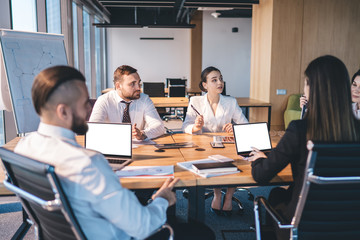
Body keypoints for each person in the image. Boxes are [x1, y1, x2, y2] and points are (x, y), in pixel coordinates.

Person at [15, 66, 215, 240]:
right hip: (116, 235)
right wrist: (162, 198)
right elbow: (142, 226)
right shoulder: (88, 162)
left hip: (65, 233)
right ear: (63, 112)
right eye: (84, 103)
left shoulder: (23, 149)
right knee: (203, 233)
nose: (88, 109)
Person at [248, 55, 360, 240]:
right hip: (350, 227)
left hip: (304, 228)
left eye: (306, 83)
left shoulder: (300, 130)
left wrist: (260, 158)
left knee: (275, 195)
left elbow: (261, 175)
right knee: (280, 194)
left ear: (312, 88)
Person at [182, 66, 248, 216]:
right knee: (213, 161)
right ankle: (217, 194)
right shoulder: (195, 101)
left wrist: (235, 128)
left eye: (221, 79)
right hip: (204, 147)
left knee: (238, 159)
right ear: (205, 85)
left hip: (226, 145)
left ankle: (229, 196)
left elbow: (245, 125)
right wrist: (195, 126)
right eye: (214, 80)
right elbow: (185, 126)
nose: (220, 82)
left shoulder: (231, 102)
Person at [89, 65, 165, 140]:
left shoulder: (144, 99)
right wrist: (121, 134)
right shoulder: (104, 100)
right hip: (111, 145)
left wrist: (143, 134)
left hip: (138, 148)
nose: (138, 88)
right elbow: (93, 129)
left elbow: (159, 126)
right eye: (132, 84)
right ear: (118, 86)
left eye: (139, 83)